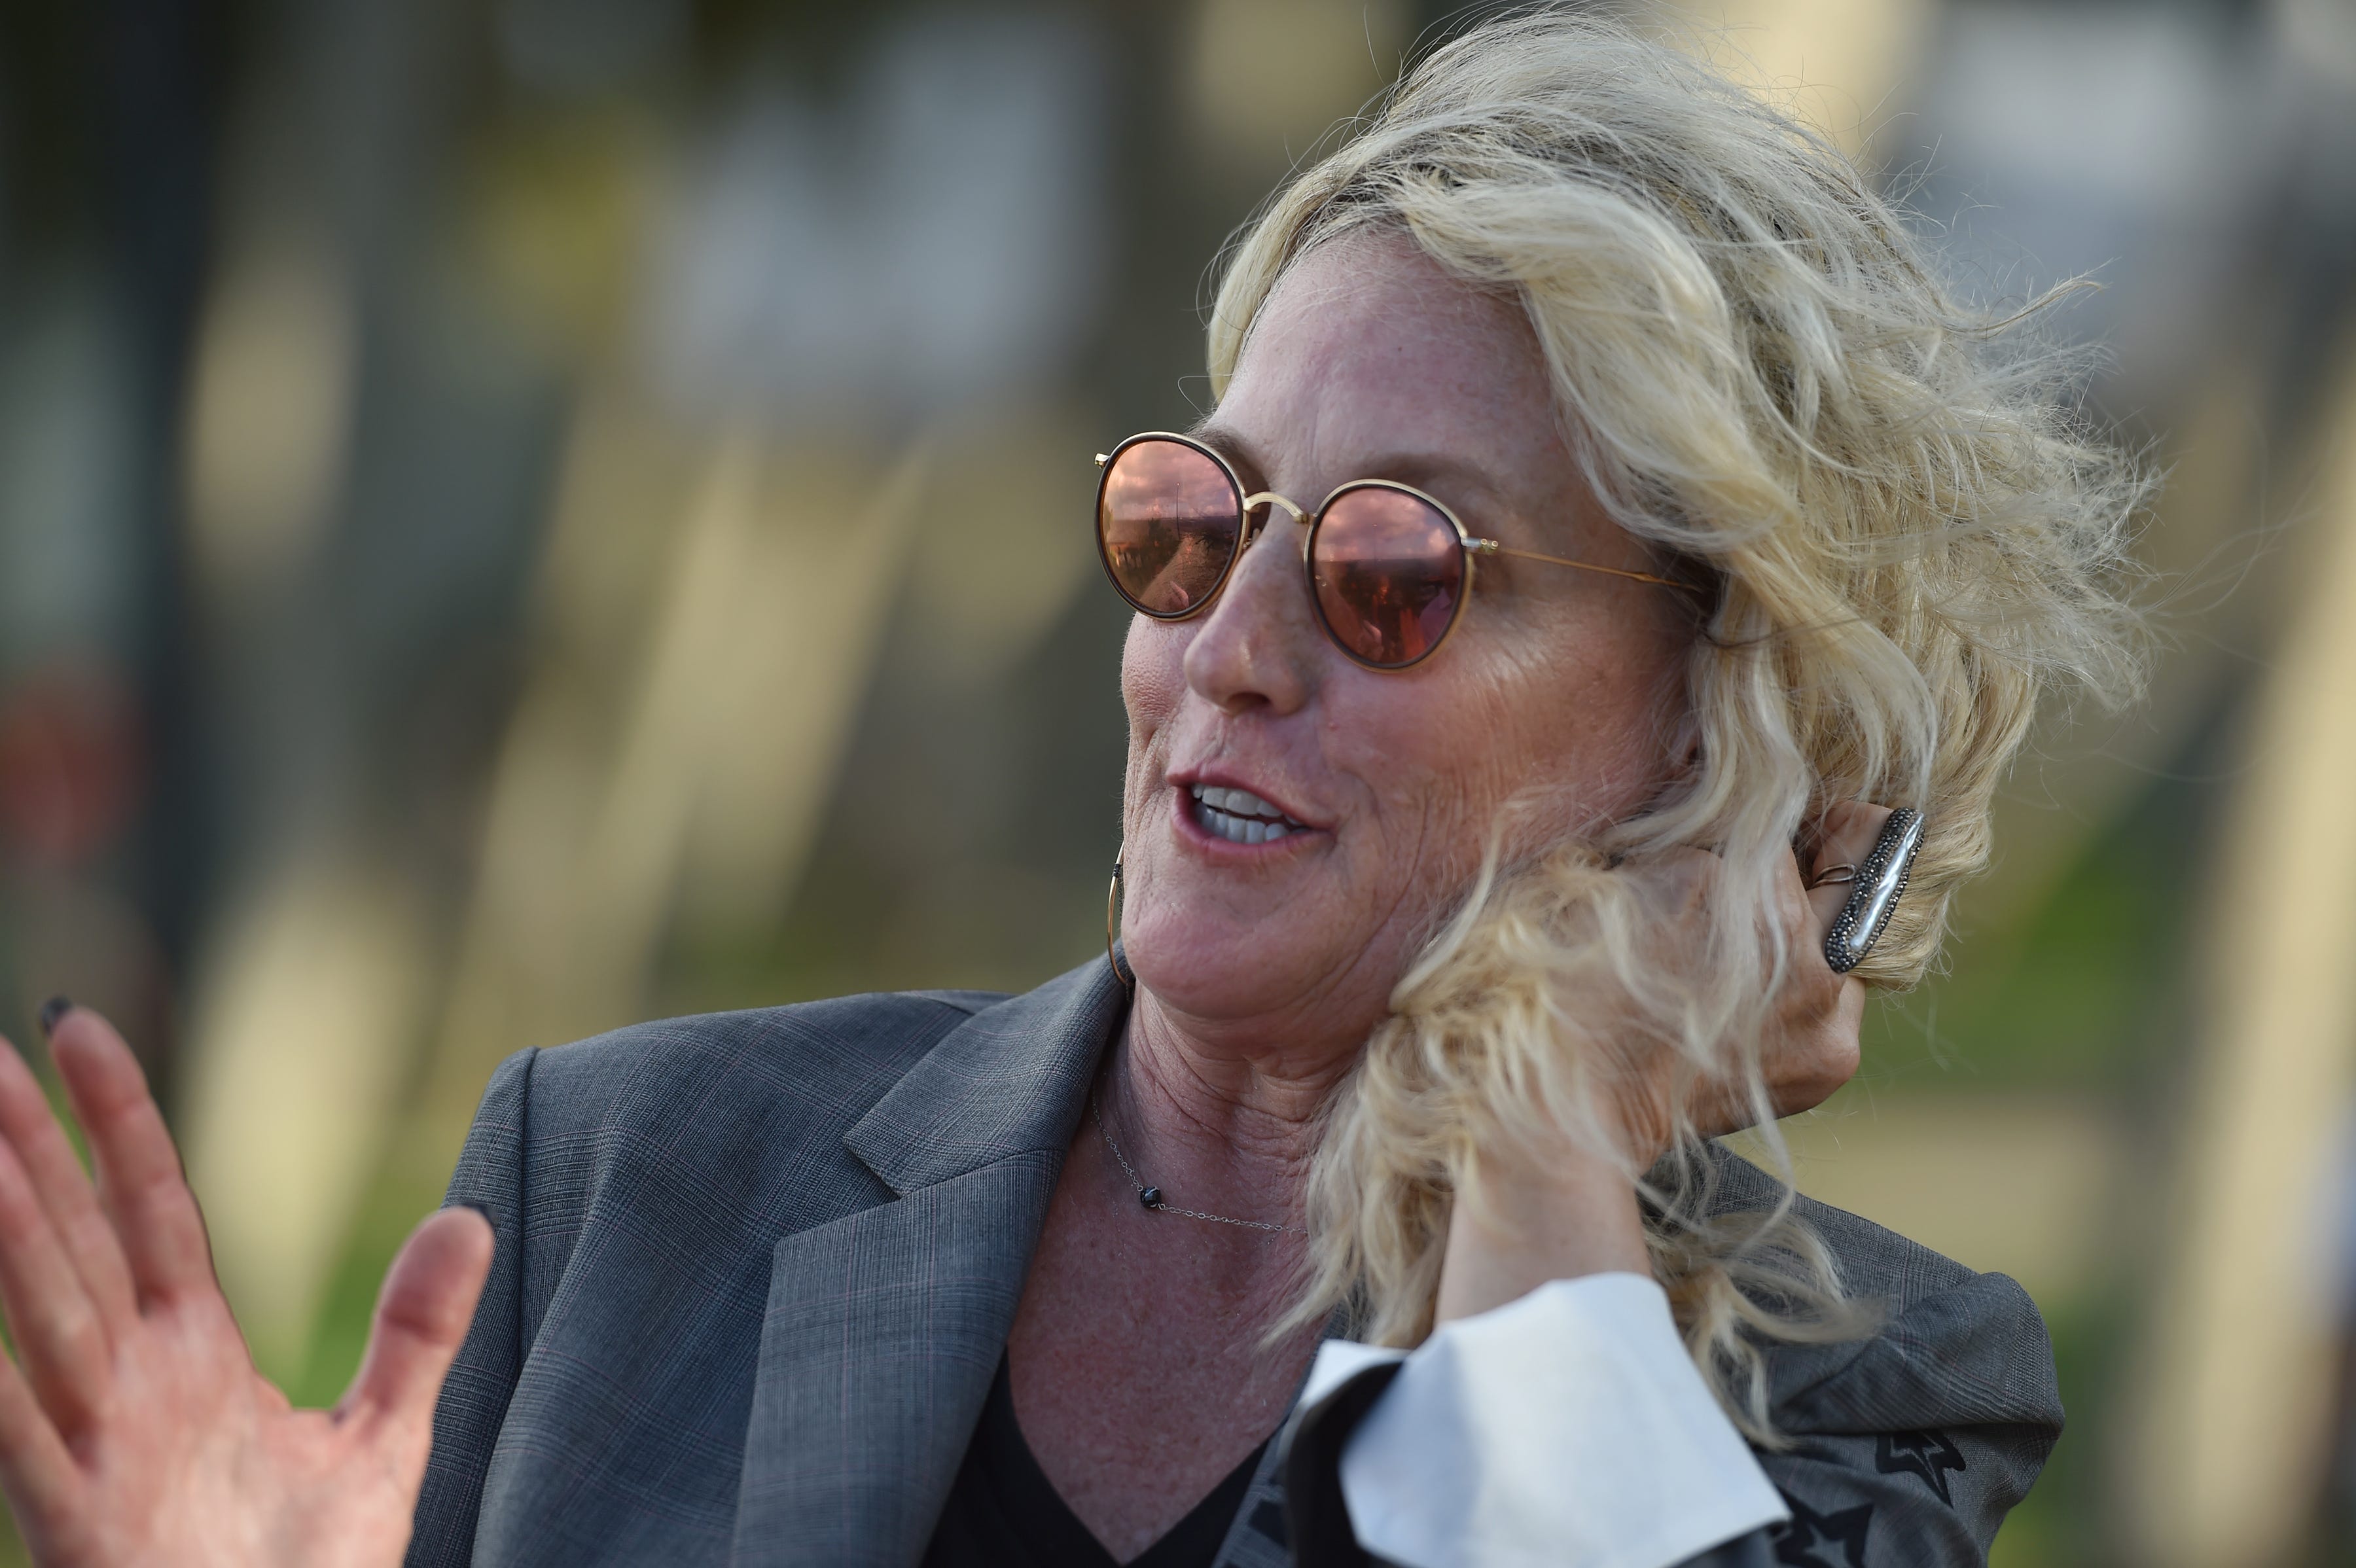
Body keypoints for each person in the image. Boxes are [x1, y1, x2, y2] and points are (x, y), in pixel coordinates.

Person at [0, 13, 2143, 1567]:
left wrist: (1546, 1135)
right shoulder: (621, 1177)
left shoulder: (1855, 1384)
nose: (1228, 645)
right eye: (1195, 520)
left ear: (1719, 732)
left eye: (1396, 572)